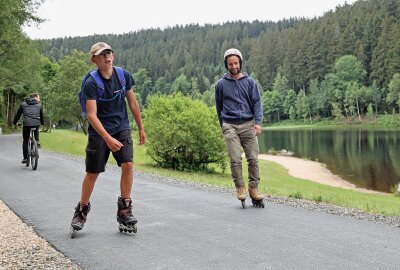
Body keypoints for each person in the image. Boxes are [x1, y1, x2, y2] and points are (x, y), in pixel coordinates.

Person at [70, 42, 146, 236]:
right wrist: (106, 138)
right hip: (99, 131)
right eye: (102, 54)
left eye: (109, 52)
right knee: (93, 173)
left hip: (121, 127)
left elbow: (132, 102)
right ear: (94, 59)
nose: (107, 56)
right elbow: (92, 115)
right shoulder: (91, 83)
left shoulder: (123, 76)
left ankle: (125, 208)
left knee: (128, 164)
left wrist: (140, 128)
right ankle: (81, 210)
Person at [215, 48, 266, 207]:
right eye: (230, 64)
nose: (233, 66)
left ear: (240, 63)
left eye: (236, 63)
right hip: (229, 124)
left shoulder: (250, 82)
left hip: (248, 123)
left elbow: (257, 103)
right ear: (226, 65)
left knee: (253, 158)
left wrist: (258, 122)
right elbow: (219, 106)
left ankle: (253, 188)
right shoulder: (221, 84)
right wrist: (222, 124)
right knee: (235, 158)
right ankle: (240, 188)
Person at [13, 93, 44, 163]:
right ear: (35, 97)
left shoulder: (23, 104)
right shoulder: (39, 105)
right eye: (39, 98)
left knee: (25, 141)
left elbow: (18, 115)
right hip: (36, 124)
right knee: (36, 128)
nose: (39, 99)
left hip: (26, 124)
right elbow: (41, 116)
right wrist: (42, 123)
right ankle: (37, 142)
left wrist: (14, 123)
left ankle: (25, 158)